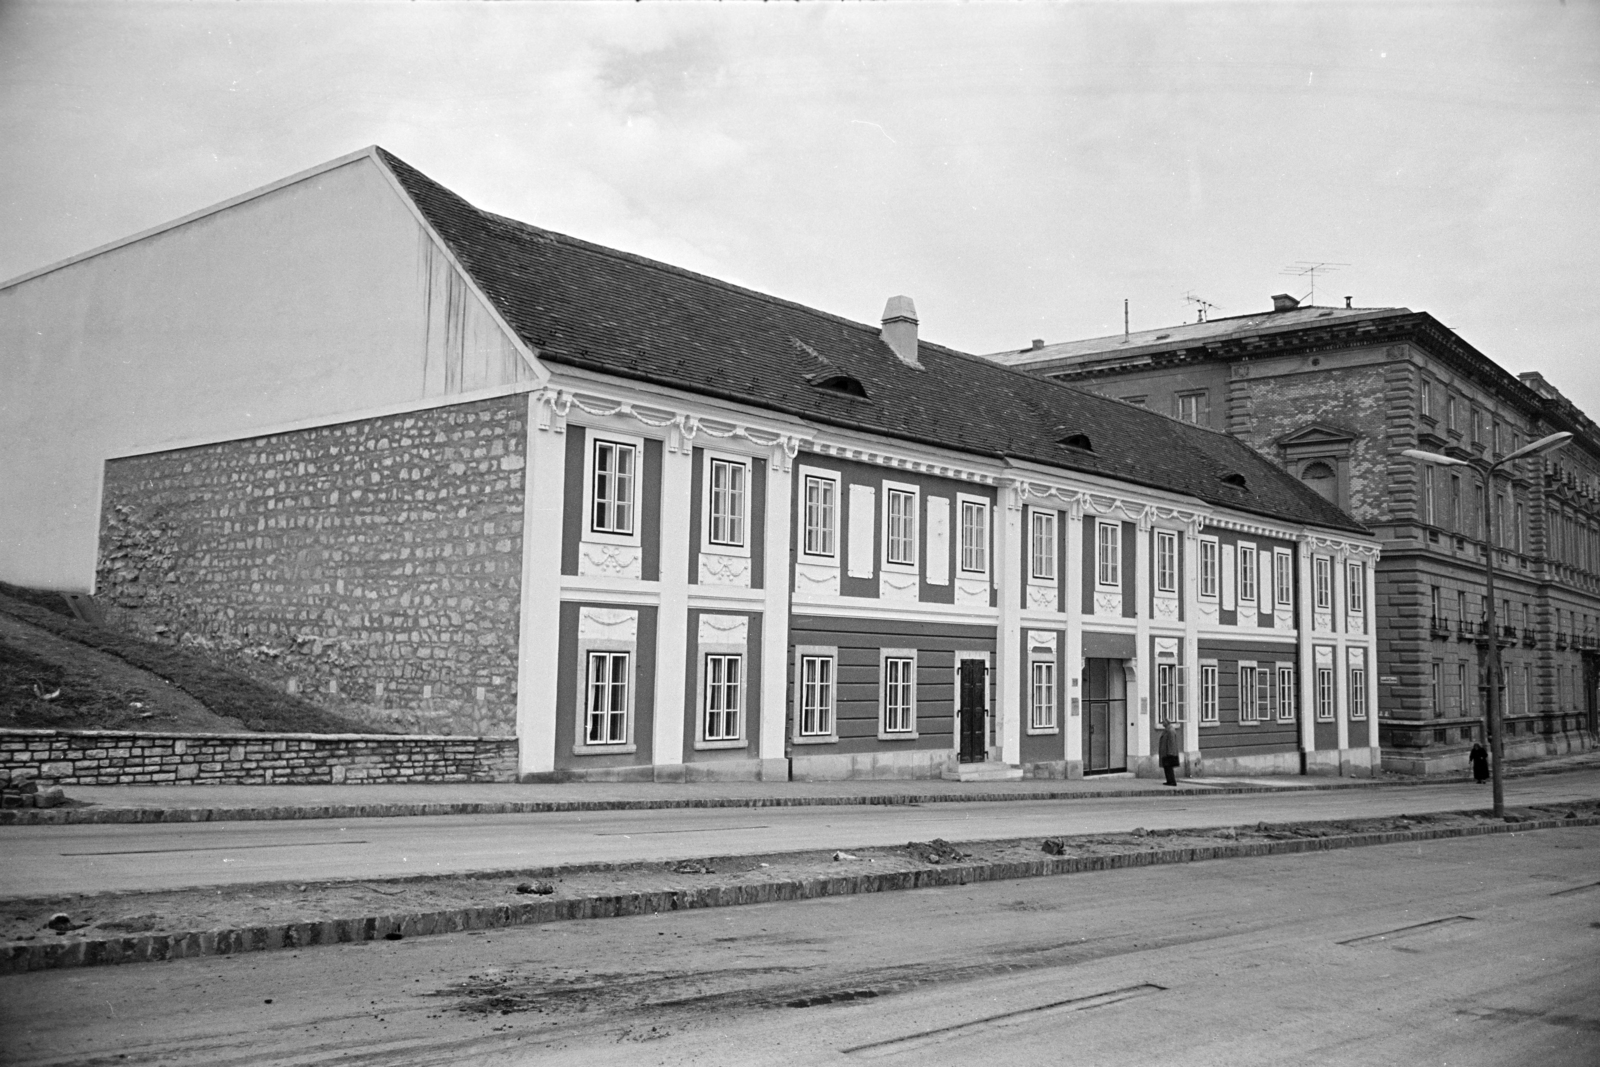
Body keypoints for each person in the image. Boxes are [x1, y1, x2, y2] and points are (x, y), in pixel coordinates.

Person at [1158, 721, 1181, 787]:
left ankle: (1172, 781)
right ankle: (1169, 780)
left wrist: (1170, 752)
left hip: (1168, 753)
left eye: (1163, 723)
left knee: (1169, 767)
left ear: (1166, 723)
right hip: (1166, 752)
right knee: (1167, 767)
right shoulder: (1167, 730)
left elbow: (1171, 742)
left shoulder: (1170, 730)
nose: (1162, 724)